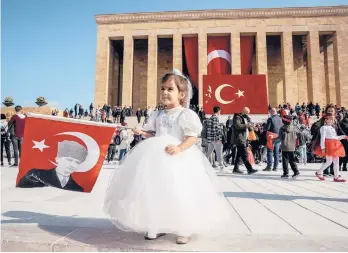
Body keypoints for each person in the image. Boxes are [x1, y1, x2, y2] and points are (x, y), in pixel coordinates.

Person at [104, 69, 232, 245]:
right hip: (157, 157)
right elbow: (153, 133)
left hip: (179, 158)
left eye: (170, 89)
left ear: (182, 94)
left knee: (181, 191)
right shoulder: (157, 114)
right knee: (157, 191)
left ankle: (184, 228)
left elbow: (192, 137)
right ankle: (157, 224)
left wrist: (180, 148)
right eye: (163, 89)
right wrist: (142, 131)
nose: (165, 93)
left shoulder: (186, 114)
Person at [17, 141, 86, 191]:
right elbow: (21, 191)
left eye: (77, 162)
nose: (72, 165)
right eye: (69, 160)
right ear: (57, 159)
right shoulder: (35, 174)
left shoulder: (77, 188)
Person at [314, 113, 347, 182]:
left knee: (336, 161)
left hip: (335, 144)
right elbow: (322, 138)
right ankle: (319, 172)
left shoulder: (332, 128)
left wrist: (343, 136)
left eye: (333, 119)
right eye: (331, 119)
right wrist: (323, 148)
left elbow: (334, 137)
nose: (333, 121)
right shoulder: (323, 128)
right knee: (329, 161)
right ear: (326, 120)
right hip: (328, 145)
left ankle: (336, 176)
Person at [231, 107, 258, 175]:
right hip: (239, 138)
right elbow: (238, 126)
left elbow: (247, 126)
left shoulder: (244, 117)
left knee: (239, 155)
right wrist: (247, 125)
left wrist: (253, 127)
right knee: (244, 154)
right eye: (246, 113)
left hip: (244, 138)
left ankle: (236, 169)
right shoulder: (237, 117)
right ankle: (250, 169)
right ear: (243, 111)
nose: (247, 115)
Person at [205, 106, 224, 171]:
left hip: (210, 139)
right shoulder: (215, 118)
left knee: (209, 153)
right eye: (220, 111)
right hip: (216, 139)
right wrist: (218, 137)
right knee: (219, 153)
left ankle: (202, 163)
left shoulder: (210, 118)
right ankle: (221, 167)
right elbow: (215, 128)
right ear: (218, 111)